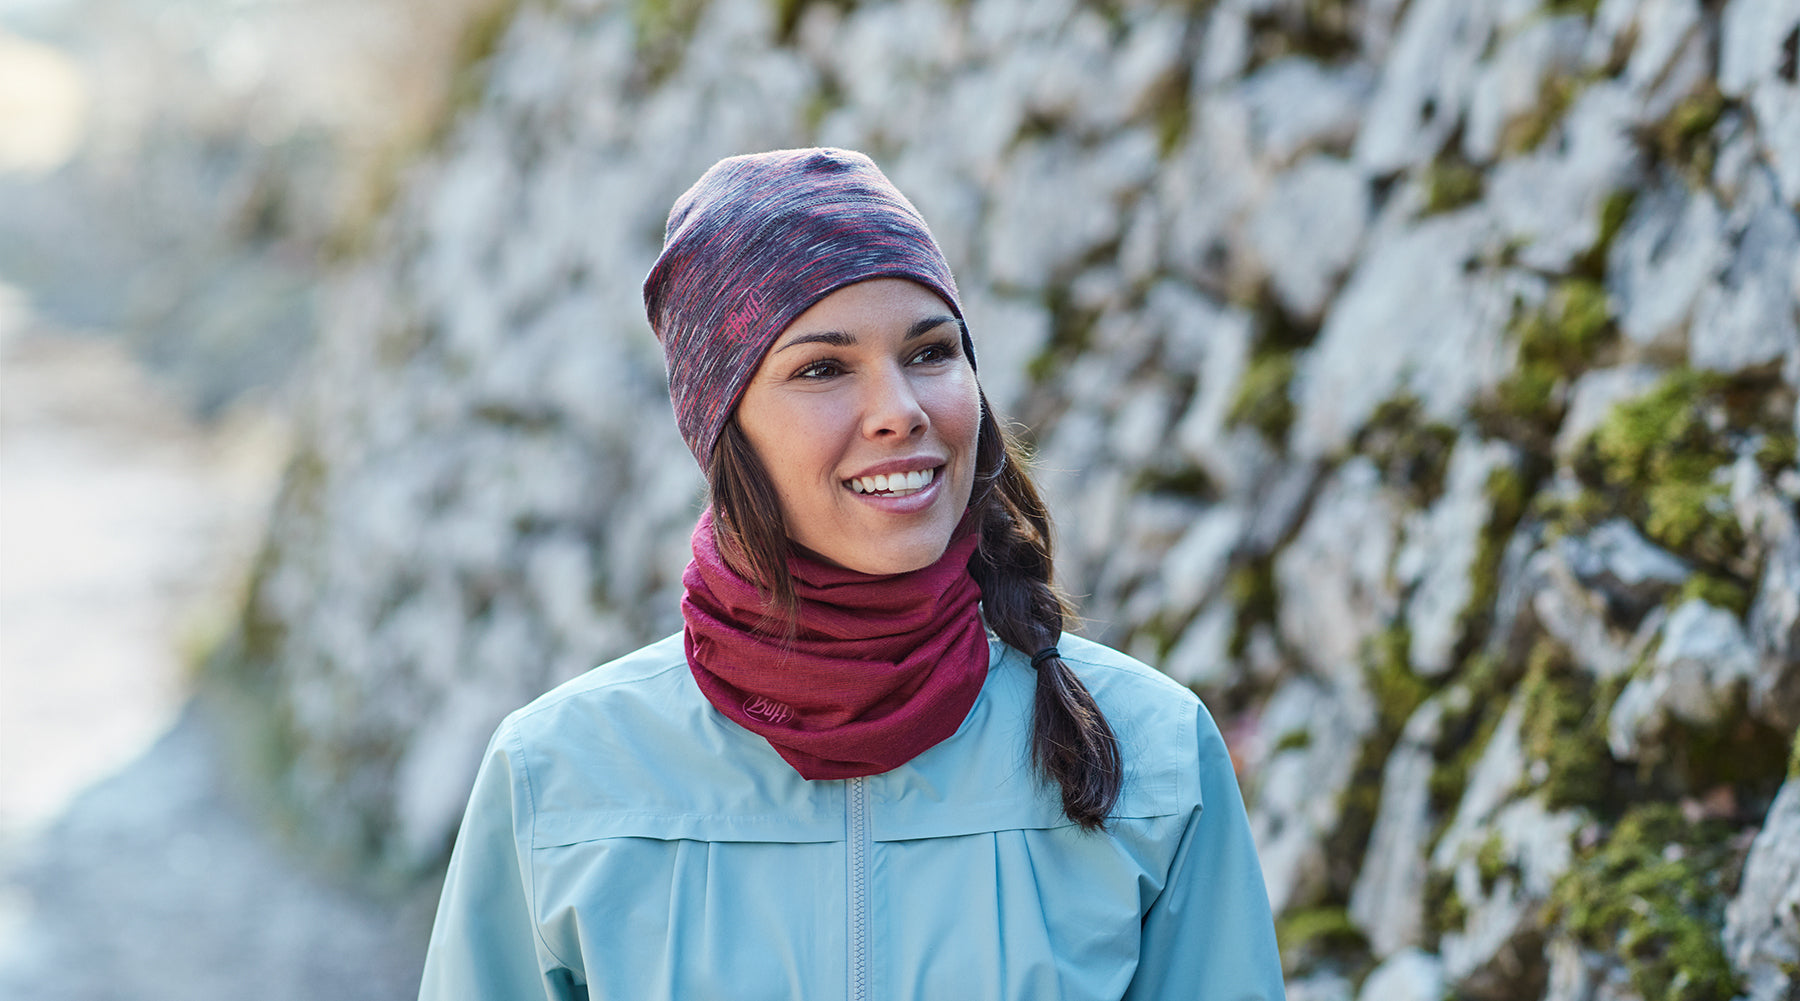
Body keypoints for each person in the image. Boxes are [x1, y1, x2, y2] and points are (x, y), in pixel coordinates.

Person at [417, 147, 1285, 1001]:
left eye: (931, 352)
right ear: (724, 429)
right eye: (823, 367)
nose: (900, 411)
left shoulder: (1152, 753)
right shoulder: (558, 778)